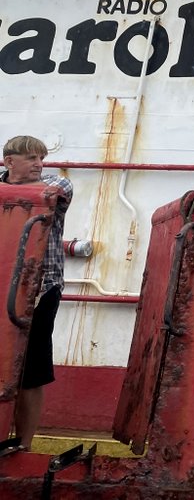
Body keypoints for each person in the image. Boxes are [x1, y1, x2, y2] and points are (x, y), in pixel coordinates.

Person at [0, 135, 73, 453]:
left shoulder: (56, 185)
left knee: (33, 369)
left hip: (42, 289)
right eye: (31, 158)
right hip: (3, 288)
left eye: (41, 158)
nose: (39, 164)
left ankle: (24, 445)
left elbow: (57, 190)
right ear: (9, 161)